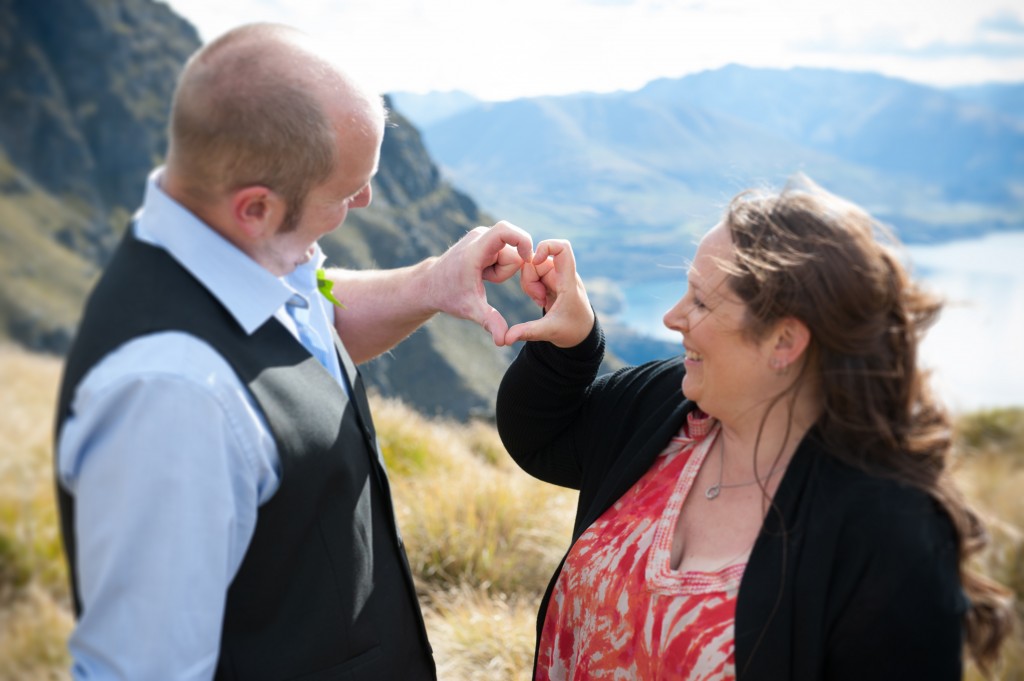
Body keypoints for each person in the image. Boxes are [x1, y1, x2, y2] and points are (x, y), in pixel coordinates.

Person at [53, 23, 533, 680]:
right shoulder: (171, 399)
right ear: (256, 206)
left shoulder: (228, 241)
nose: (364, 201)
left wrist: (433, 282)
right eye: (345, 192)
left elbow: (299, 327)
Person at [496, 177, 1015, 680]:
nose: (672, 318)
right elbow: (541, 437)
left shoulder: (889, 538)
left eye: (700, 300)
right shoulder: (664, 404)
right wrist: (573, 340)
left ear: (784, 341)